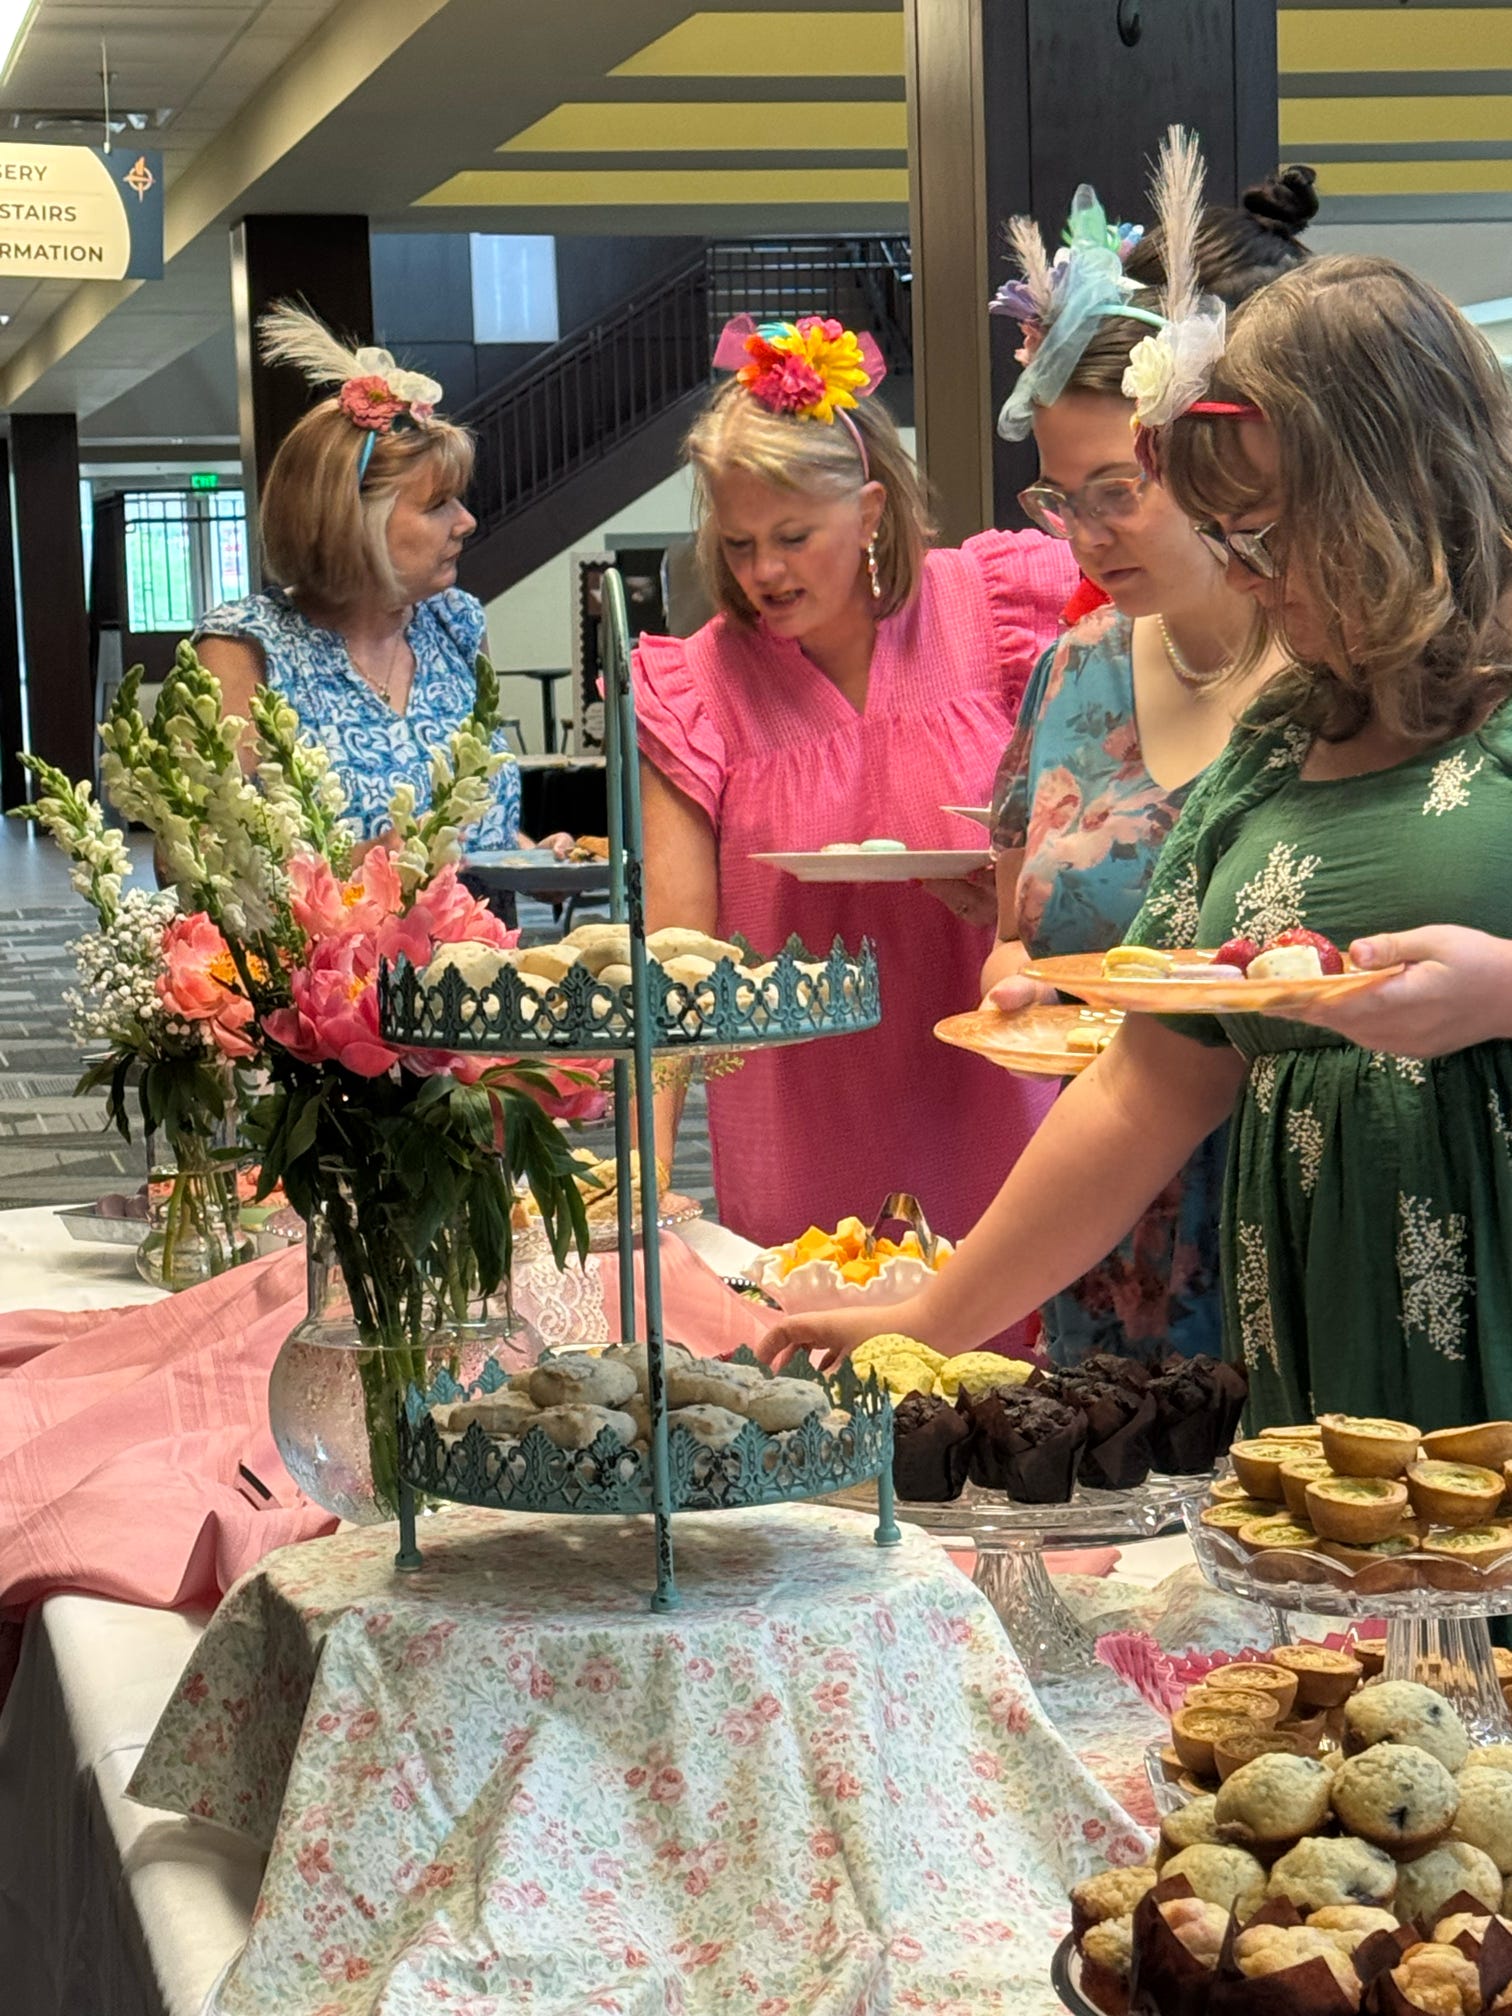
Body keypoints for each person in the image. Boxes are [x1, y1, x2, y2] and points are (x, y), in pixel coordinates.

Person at [761, 239, 1512, 1435]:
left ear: (1395, 487)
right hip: (1320, 1392)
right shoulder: (1283, 735)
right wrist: (930, 1318)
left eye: (1269, 531)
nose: (1250, 576)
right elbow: (1145, 1088)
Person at [634, 313, 1077, 1255]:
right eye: (741, 542)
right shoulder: (694, 687)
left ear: (871, 513)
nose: (763, 571)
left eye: (793, 537)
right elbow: (674, 947)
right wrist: (650, 1171)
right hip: (798, 1111)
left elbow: (1107, 814)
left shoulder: (991, 612)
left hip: (992, 1078)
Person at [969, 160, 1313, 1364]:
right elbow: (1021, 923)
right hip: (1107, 1238)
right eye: (1062, 500)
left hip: (1298, 1229)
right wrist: (1018, 982)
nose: (1088, 534)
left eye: (1119, 490)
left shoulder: (1341, 680)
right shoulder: (1074, 674)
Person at [195, 304, 567, 859]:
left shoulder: (458, 623)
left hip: (486, 946)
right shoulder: (246, 648)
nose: (466, 521)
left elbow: (473, 828)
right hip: (333, 947)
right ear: (351, 518)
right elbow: (196, 857)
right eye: (438, 503)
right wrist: (370, 860)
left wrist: (529, 853)